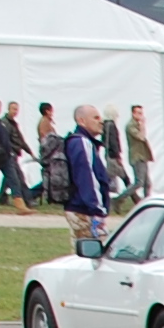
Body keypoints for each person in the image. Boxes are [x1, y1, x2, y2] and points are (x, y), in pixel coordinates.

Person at [61, 103, 111, 244]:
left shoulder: (82, 142)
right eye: (95, 118)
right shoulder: (82, 142)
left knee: (81, 251)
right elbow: (87, 178)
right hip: (85, 211)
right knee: (94, 251)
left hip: (80, 208)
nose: (101, 121)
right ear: (81, 121)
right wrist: (97, 209)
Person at [125, 104, 154, 200]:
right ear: (133, 113)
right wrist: (142, 126)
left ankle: (147, 201)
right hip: (137, 156)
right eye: (138, 113)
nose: (141, 115)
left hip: (142, 156)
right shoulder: (130, 126)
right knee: (139, 182)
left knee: (147, 183)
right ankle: (119, 199)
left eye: (141, 113)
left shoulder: (137, 125)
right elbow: (141, 137)